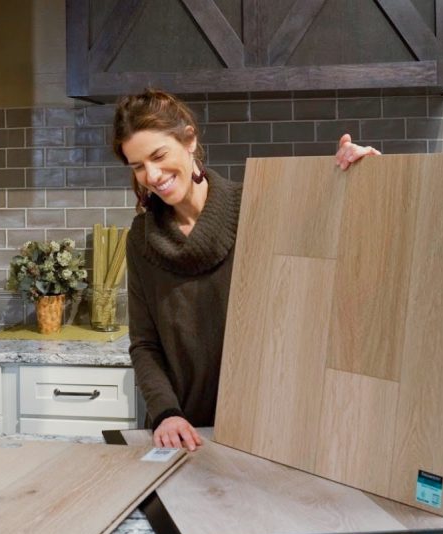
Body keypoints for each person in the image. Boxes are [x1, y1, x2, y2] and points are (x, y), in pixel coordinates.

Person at [114, 89, 379, 451]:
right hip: (181, 435)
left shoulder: (259, 208)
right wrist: (165, 414)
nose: (152, 175)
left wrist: (364, 177)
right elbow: (144, 345)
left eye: (158, 156)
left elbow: (340, 249)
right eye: (138, 166)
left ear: (189, 139)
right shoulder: (141, 239)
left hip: (264, 433)